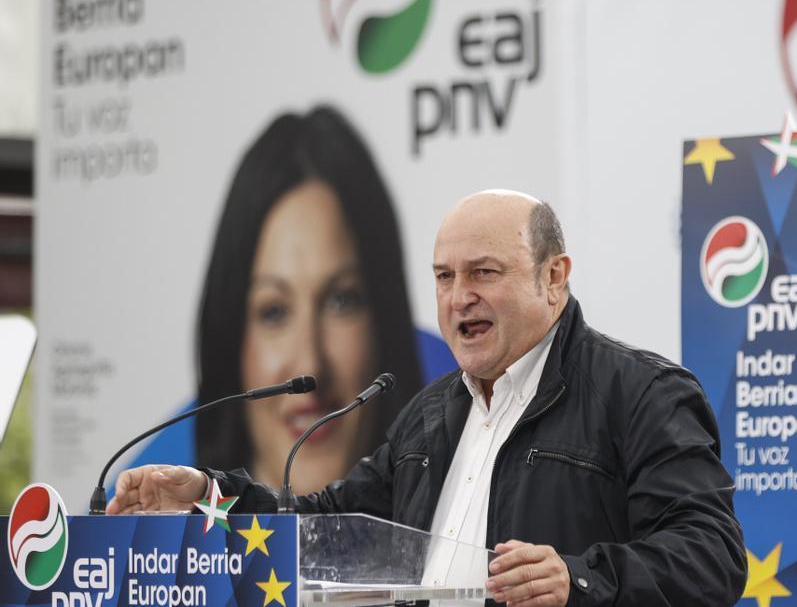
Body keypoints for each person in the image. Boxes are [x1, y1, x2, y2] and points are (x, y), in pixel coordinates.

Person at [110, 190, 747, 606]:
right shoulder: (429, 414)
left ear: (554, 279)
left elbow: (712, 558)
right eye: (444, 277)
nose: (457, 297)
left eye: (483, 273)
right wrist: (209, 497)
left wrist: (578, 579)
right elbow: (332, 526)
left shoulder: (641, 394)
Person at [194, 106, 423, 494]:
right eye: (274, 311)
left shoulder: (460, 533)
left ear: (385, 320)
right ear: (230, 337)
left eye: (341, 301)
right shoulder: (166, 548)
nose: (309, 363)